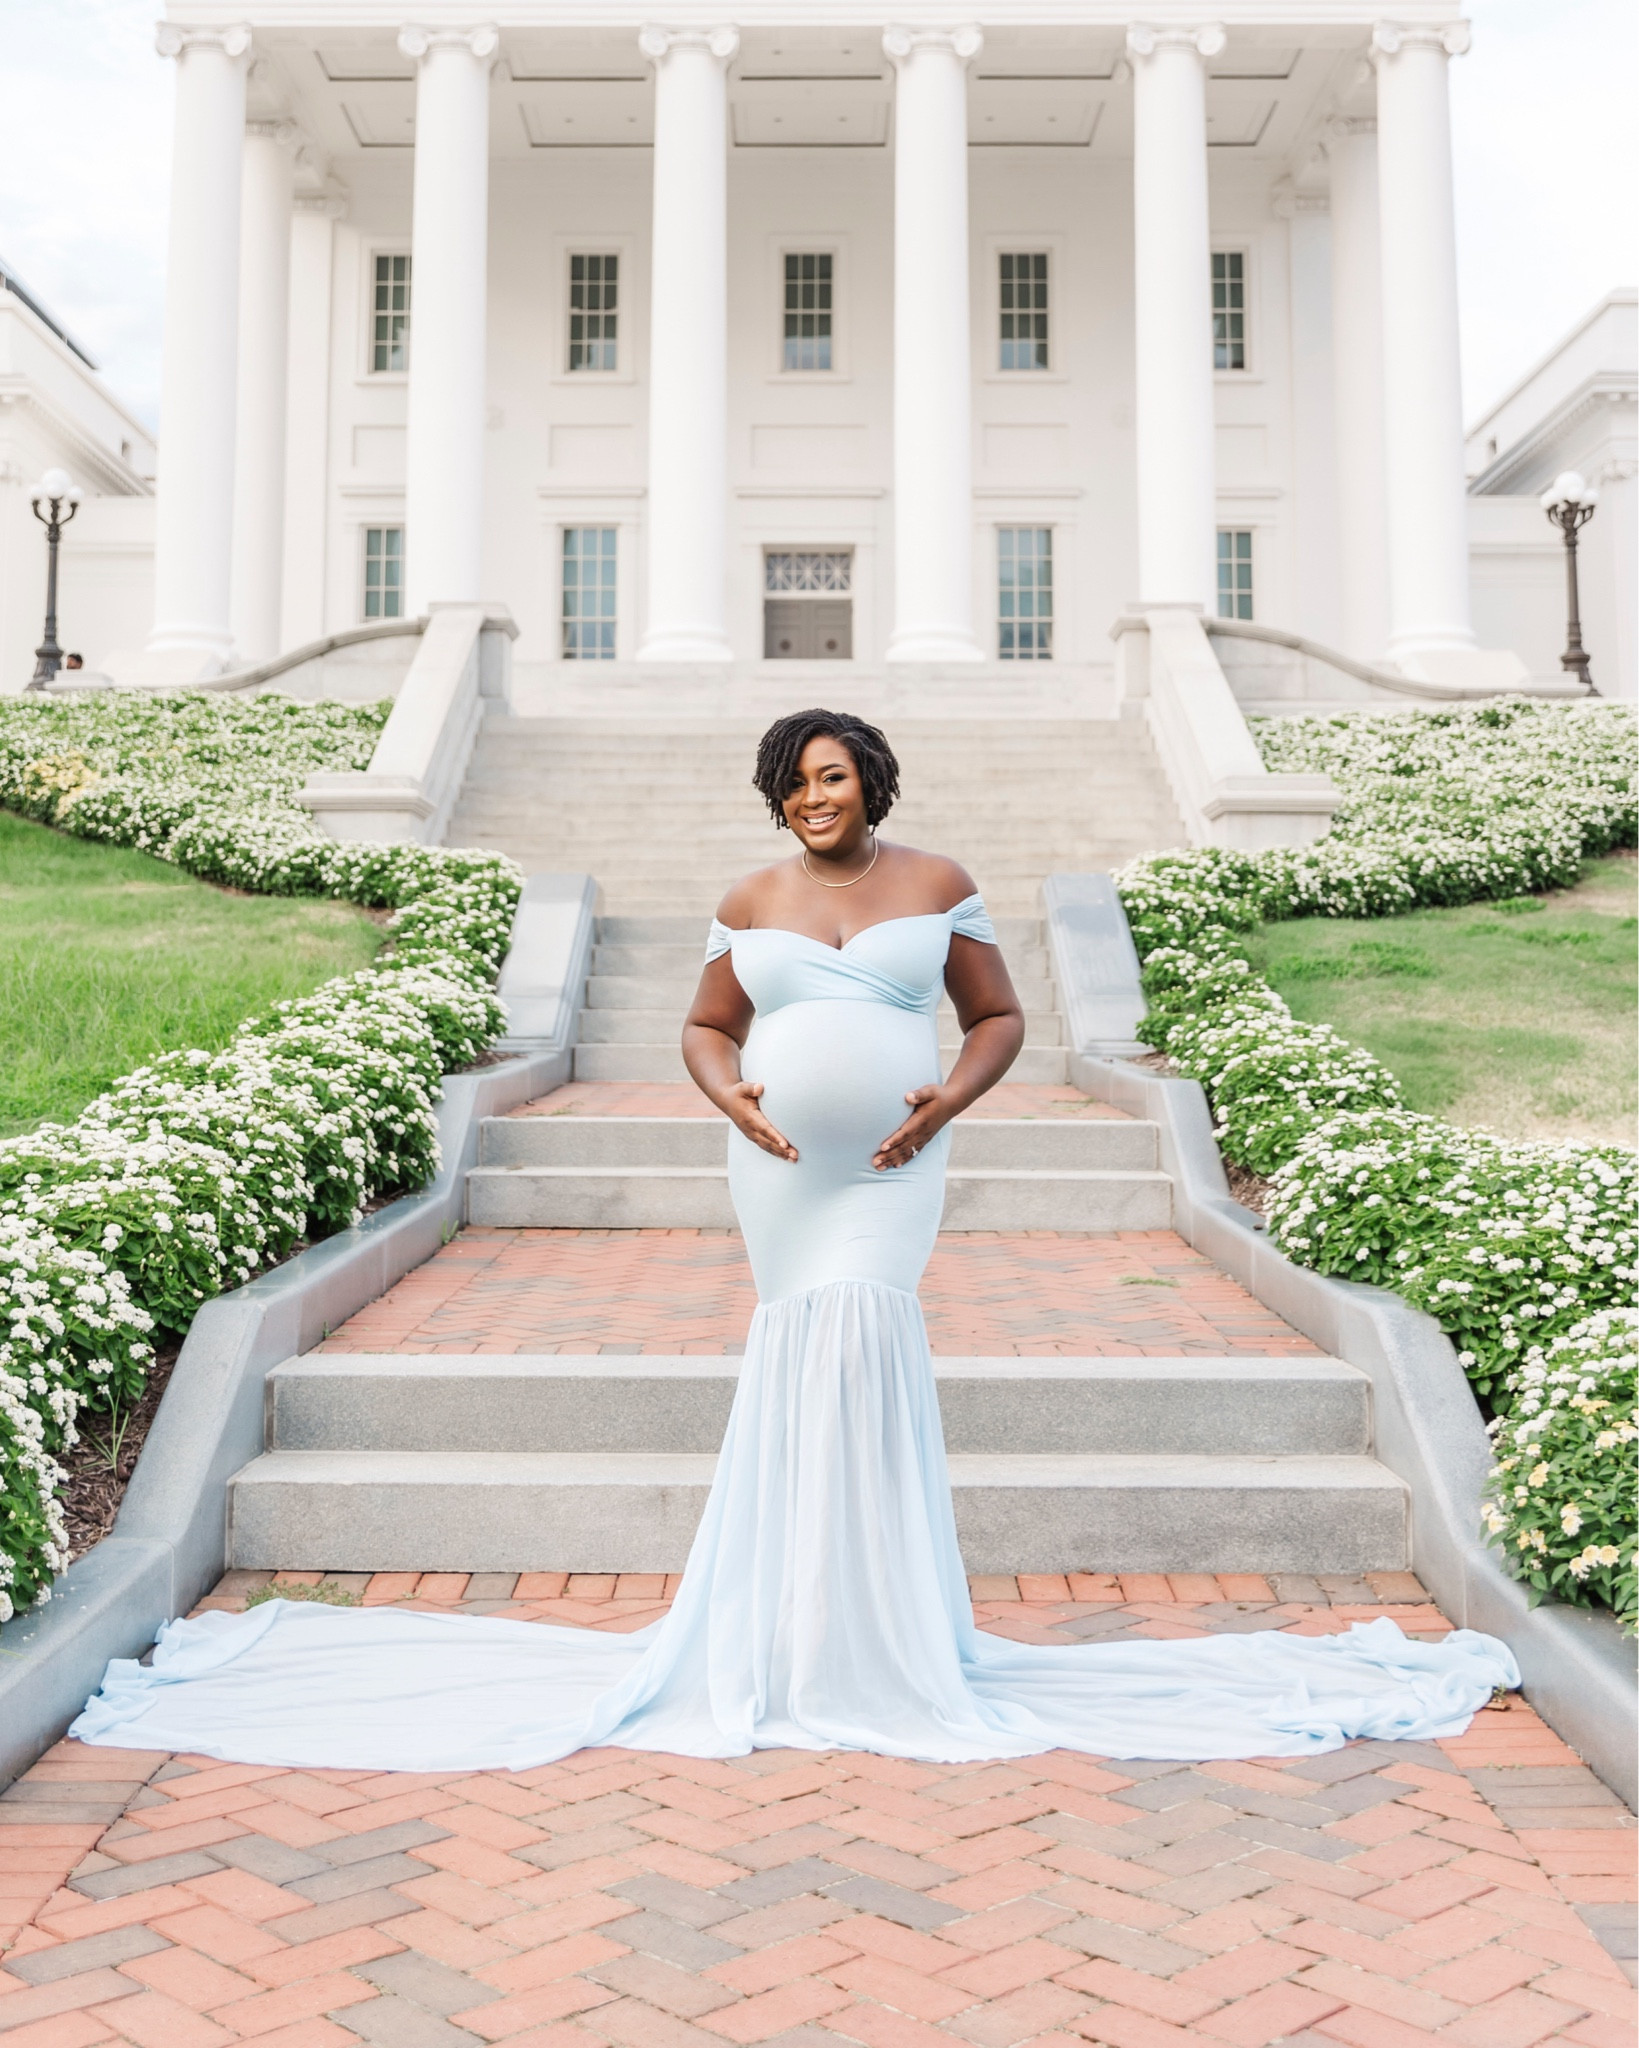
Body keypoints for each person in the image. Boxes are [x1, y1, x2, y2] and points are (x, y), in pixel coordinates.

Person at [70, 709, 1516, 1771]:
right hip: (777, 1171)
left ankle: (873, 1638)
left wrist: (944, 1103)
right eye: (793, 784)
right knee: (793, 1352)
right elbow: (702, 1027)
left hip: (894, 1171)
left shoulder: (937, 881)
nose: (813, 799)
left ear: (871, 782)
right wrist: (741, 1106)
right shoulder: (748, 901)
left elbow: (1003, 1016)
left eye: (832, 777)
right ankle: (776, 1636)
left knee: (861, 1344)